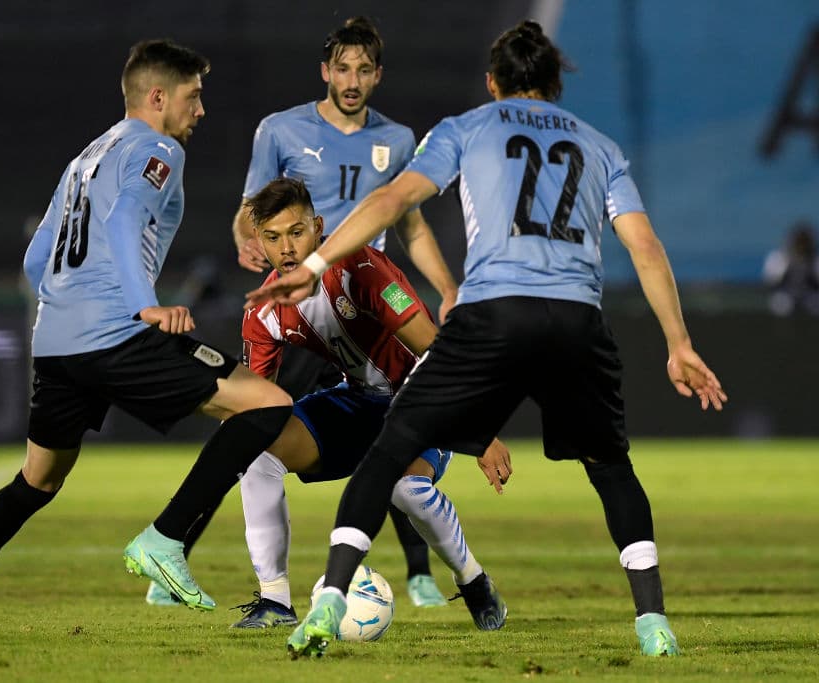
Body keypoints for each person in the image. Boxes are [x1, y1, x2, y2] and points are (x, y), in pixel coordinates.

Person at [247, 21, 727, 659]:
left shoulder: (467, 127)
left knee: (388, 453)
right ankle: (653, 623)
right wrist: (679, 343)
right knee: (611, 467)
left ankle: (329, 602)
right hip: (577, 320)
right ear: (555, 85)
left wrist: (313, 265)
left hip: (494, 313)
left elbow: (392, 202)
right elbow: (644, 245)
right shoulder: (601, 147)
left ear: (492, 83)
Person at [0, 39, 292, 633]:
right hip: (116, 333)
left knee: (36, 481)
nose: (201, 110)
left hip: (56, 343)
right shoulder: (158, 148)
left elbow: (36, 260)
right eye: (194, 96)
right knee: (268, 403)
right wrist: (143, 305)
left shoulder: (86, 157)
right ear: (159, 97)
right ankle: (166, 538)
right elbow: (125, 218)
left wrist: (66, 310)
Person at [190, 178, 511, 628]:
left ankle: (473, 581)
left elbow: (436, 351)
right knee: (255, 447)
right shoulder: (264, 311)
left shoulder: (361, 269)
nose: (287, 248)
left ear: (318, 228)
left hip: (419, 401)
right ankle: (275, 601)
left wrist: (482, 433)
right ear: (258, 241)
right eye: (273, 237)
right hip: (359, 403)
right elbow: (257, 406)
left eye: (296, 232)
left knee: (406, 490)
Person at [228, 15, 459, 608]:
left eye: (363, 70)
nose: (352, 80)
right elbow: (249, 212)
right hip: (303, 305)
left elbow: (410, 225)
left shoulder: (398, 140)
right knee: (255, 429)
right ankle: (186, 547)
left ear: (378, 75)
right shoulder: (280, 130)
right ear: (325, 72)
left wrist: (445, 286)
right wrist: (248, 242)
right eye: (342, 68)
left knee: (397, 415)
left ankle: (421, 573)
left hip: (365, 299)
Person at [763, 220, 819, 316]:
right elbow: (771, 282)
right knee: (781, 306)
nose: (801, 245)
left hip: (809, 294)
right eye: (799, 241)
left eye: (804, 242)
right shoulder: (780, 257)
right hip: (786, 294)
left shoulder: (815, 259)